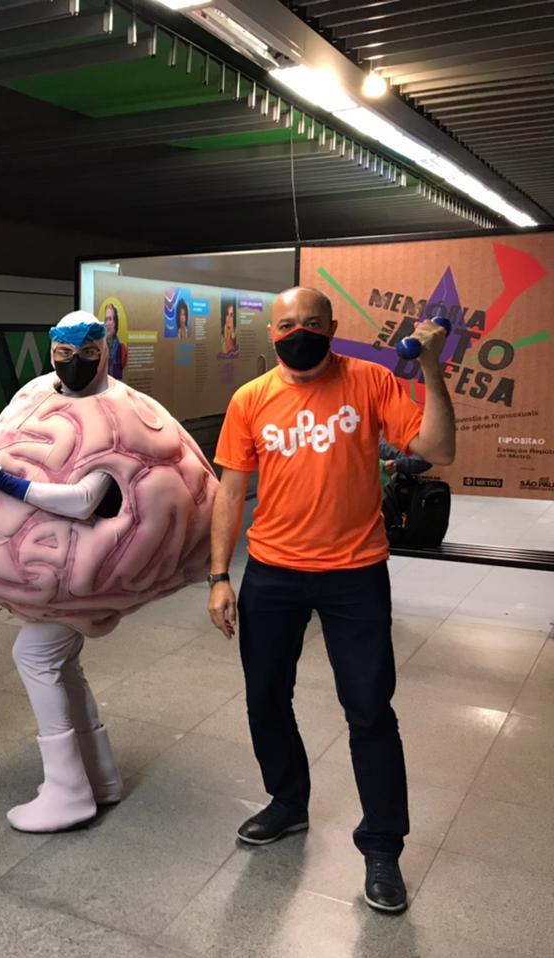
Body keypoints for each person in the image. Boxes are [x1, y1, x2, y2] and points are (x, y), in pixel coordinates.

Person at [206, 287, 455, 915]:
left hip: (356, 574)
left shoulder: (370, 381)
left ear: (332, 327)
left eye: (312, 323)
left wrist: (431, 366)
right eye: (288, 324)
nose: (299, 332)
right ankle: (288, 803)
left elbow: (437, 451)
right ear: (272, 333)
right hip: (271, 572)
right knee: (265, 697)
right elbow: (231, 492)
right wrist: (217, 575)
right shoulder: (250, 400)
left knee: (370, 710)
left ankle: (382, 848)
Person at [0, 311, 215, 833]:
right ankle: (100, 776)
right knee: (63, 664)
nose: (75, 365)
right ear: (53, 351)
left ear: (105, 349)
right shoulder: (37, 391)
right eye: (64, 354)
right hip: (55, 569)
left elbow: (82, 501)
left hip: (85, 572)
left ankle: (67, 790)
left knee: (33, 653)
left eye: (87, 354)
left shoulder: (121, 412)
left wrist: (7, 483)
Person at [103, 303, 127, 380]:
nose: (107, 323)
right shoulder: (101, 346)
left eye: (110, 319)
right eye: (106, 319)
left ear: (115, 322)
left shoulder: (120, 348)